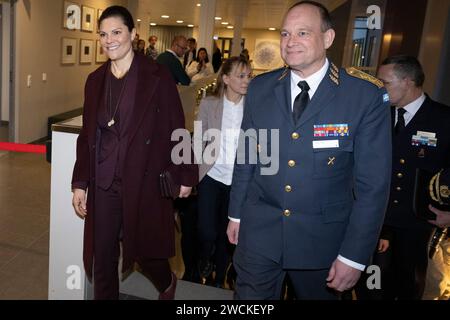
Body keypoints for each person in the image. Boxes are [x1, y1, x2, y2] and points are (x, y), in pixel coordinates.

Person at [227, 1, 392, 300]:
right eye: (285, 34)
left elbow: (373, 187)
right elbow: (248, 155)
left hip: (324, 245)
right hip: (259, 235)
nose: (290, 42)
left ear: (327, 38)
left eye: (302, 33)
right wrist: (236, 214)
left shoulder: (363, 95)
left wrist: (354, 256)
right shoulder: (262, 88)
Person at [71, 6, 198, 300]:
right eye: (103, 34)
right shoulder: (95, 81)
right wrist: (80, 183)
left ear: (132, 34)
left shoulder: (157, 76)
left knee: (145, 253)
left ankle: (166, 282)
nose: (109, 40)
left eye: (116, 32)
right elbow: (87, 135)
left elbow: (176, 126)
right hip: (104, 183)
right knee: (102, 256)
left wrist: (186, 174)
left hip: (142, 181)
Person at [374, 55, 450, 300]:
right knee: (372, 287)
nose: (379, 88)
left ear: (407, 82)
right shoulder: (377, 116)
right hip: (377, 222)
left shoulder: (443, 119)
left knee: (409, 287)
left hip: (419, 226)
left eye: (384, 82)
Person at [194, 56, 252, 288]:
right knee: (207, 231)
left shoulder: (253, 106)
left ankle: (219, 279)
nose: (246, 80)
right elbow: (198, 139)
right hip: (211, 176)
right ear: (226, 79)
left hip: (238, 182)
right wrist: (193, 173)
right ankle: (204, 256)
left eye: (249, 75)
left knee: (226, 235)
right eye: (241, 76)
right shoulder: (210, 103)